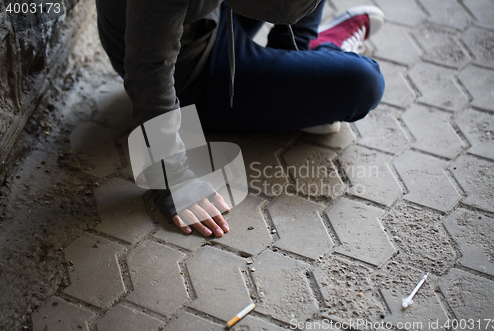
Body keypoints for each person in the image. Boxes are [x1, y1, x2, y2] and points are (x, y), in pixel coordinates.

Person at [95, 0, 385, 237]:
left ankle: (298, 58)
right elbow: (147, 74)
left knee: (319, 76)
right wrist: (174, 178)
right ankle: (320, 56)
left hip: (211, 15)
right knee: (365, 83)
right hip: (186, 69)